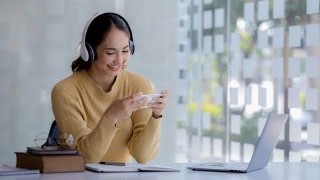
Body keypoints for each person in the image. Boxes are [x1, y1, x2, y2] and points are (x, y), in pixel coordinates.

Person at [51, 12, 168, 164]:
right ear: (90, 51)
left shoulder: (141, 85)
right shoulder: (65, 91)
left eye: (125, 51)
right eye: (110, 52)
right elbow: (85, 157)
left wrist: (156, 116)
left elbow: (142, 156)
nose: (119, 60)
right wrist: (112, 115)